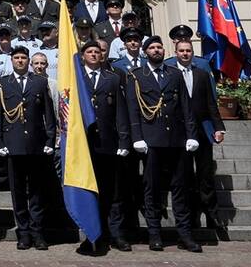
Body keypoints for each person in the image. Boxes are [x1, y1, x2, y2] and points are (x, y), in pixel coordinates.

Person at [125, 35, 201, 253]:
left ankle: (185, 235)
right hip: (151, 141)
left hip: (176, 140)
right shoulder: (136, 76)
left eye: (159, 47)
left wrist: (191, 135)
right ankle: (155, 235)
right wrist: (137, 137)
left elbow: (186, 107)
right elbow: (133, 110)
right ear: (145, 52)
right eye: (152, 48)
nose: (157, 50)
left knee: (181, 189)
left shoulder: (174, 74)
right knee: (152, 190)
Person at [0, 46, 55, 251]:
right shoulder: (3, 84)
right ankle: (24, 233)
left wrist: (50, 140)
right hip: (13, 145)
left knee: (36, 191)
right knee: (18, 192)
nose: (20, 61)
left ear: (28, 61)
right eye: (17, 58)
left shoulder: (40, 82)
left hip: (36, 144)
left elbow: (48, 114)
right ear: (11, 60)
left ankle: (38, 232)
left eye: (23, 58)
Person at [76, 41, 131, 256]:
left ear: (102, 56)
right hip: (84, 145)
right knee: (89, 192)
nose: (93, 54)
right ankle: (93, 234)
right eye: (89, 51)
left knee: (113, 192)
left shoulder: (113, 78)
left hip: (108, 143)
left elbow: (121, 112)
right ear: (82, 56)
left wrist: (124, 141)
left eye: (97, 52)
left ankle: (116, 233)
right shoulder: (76, 80)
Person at [171, 37, 226, 232]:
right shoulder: (170, 73)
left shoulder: (202, 74)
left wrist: (218, 127)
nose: (185, 53)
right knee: (185, 176)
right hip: (181, 132)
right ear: (175, 52)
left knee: (205, 174)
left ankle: (212, 215)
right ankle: (192, 216)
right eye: (182, 50)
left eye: (188, 50)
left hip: (202, 129)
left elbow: (211, 103)